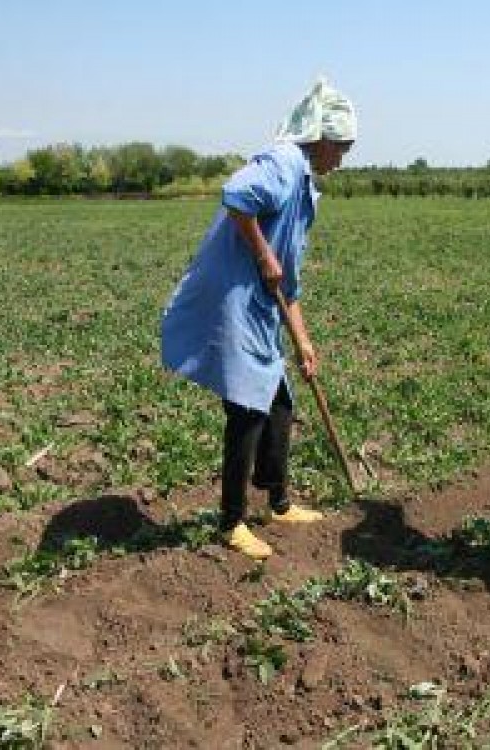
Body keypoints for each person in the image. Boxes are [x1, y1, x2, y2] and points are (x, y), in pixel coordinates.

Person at [161, 78, 356, 560]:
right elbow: (236, 195)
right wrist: (263, 253)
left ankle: (279, 502)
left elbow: (288, 281)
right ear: (321, 138)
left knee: (280, 402)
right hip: (232, 297)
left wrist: (304, 341)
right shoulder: (285, 161)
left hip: (259, 303)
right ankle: (231, 522)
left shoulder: (305, 187)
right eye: (341, 148)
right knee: (248, 407)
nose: (341, 159)